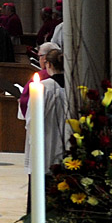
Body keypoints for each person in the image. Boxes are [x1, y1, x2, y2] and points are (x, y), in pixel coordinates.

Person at [24, 49, 69, 178]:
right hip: (65, 139)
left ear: (48, 64)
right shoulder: (71, 86)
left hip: (45, 140)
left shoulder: (43, 87)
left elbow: (32, 119)